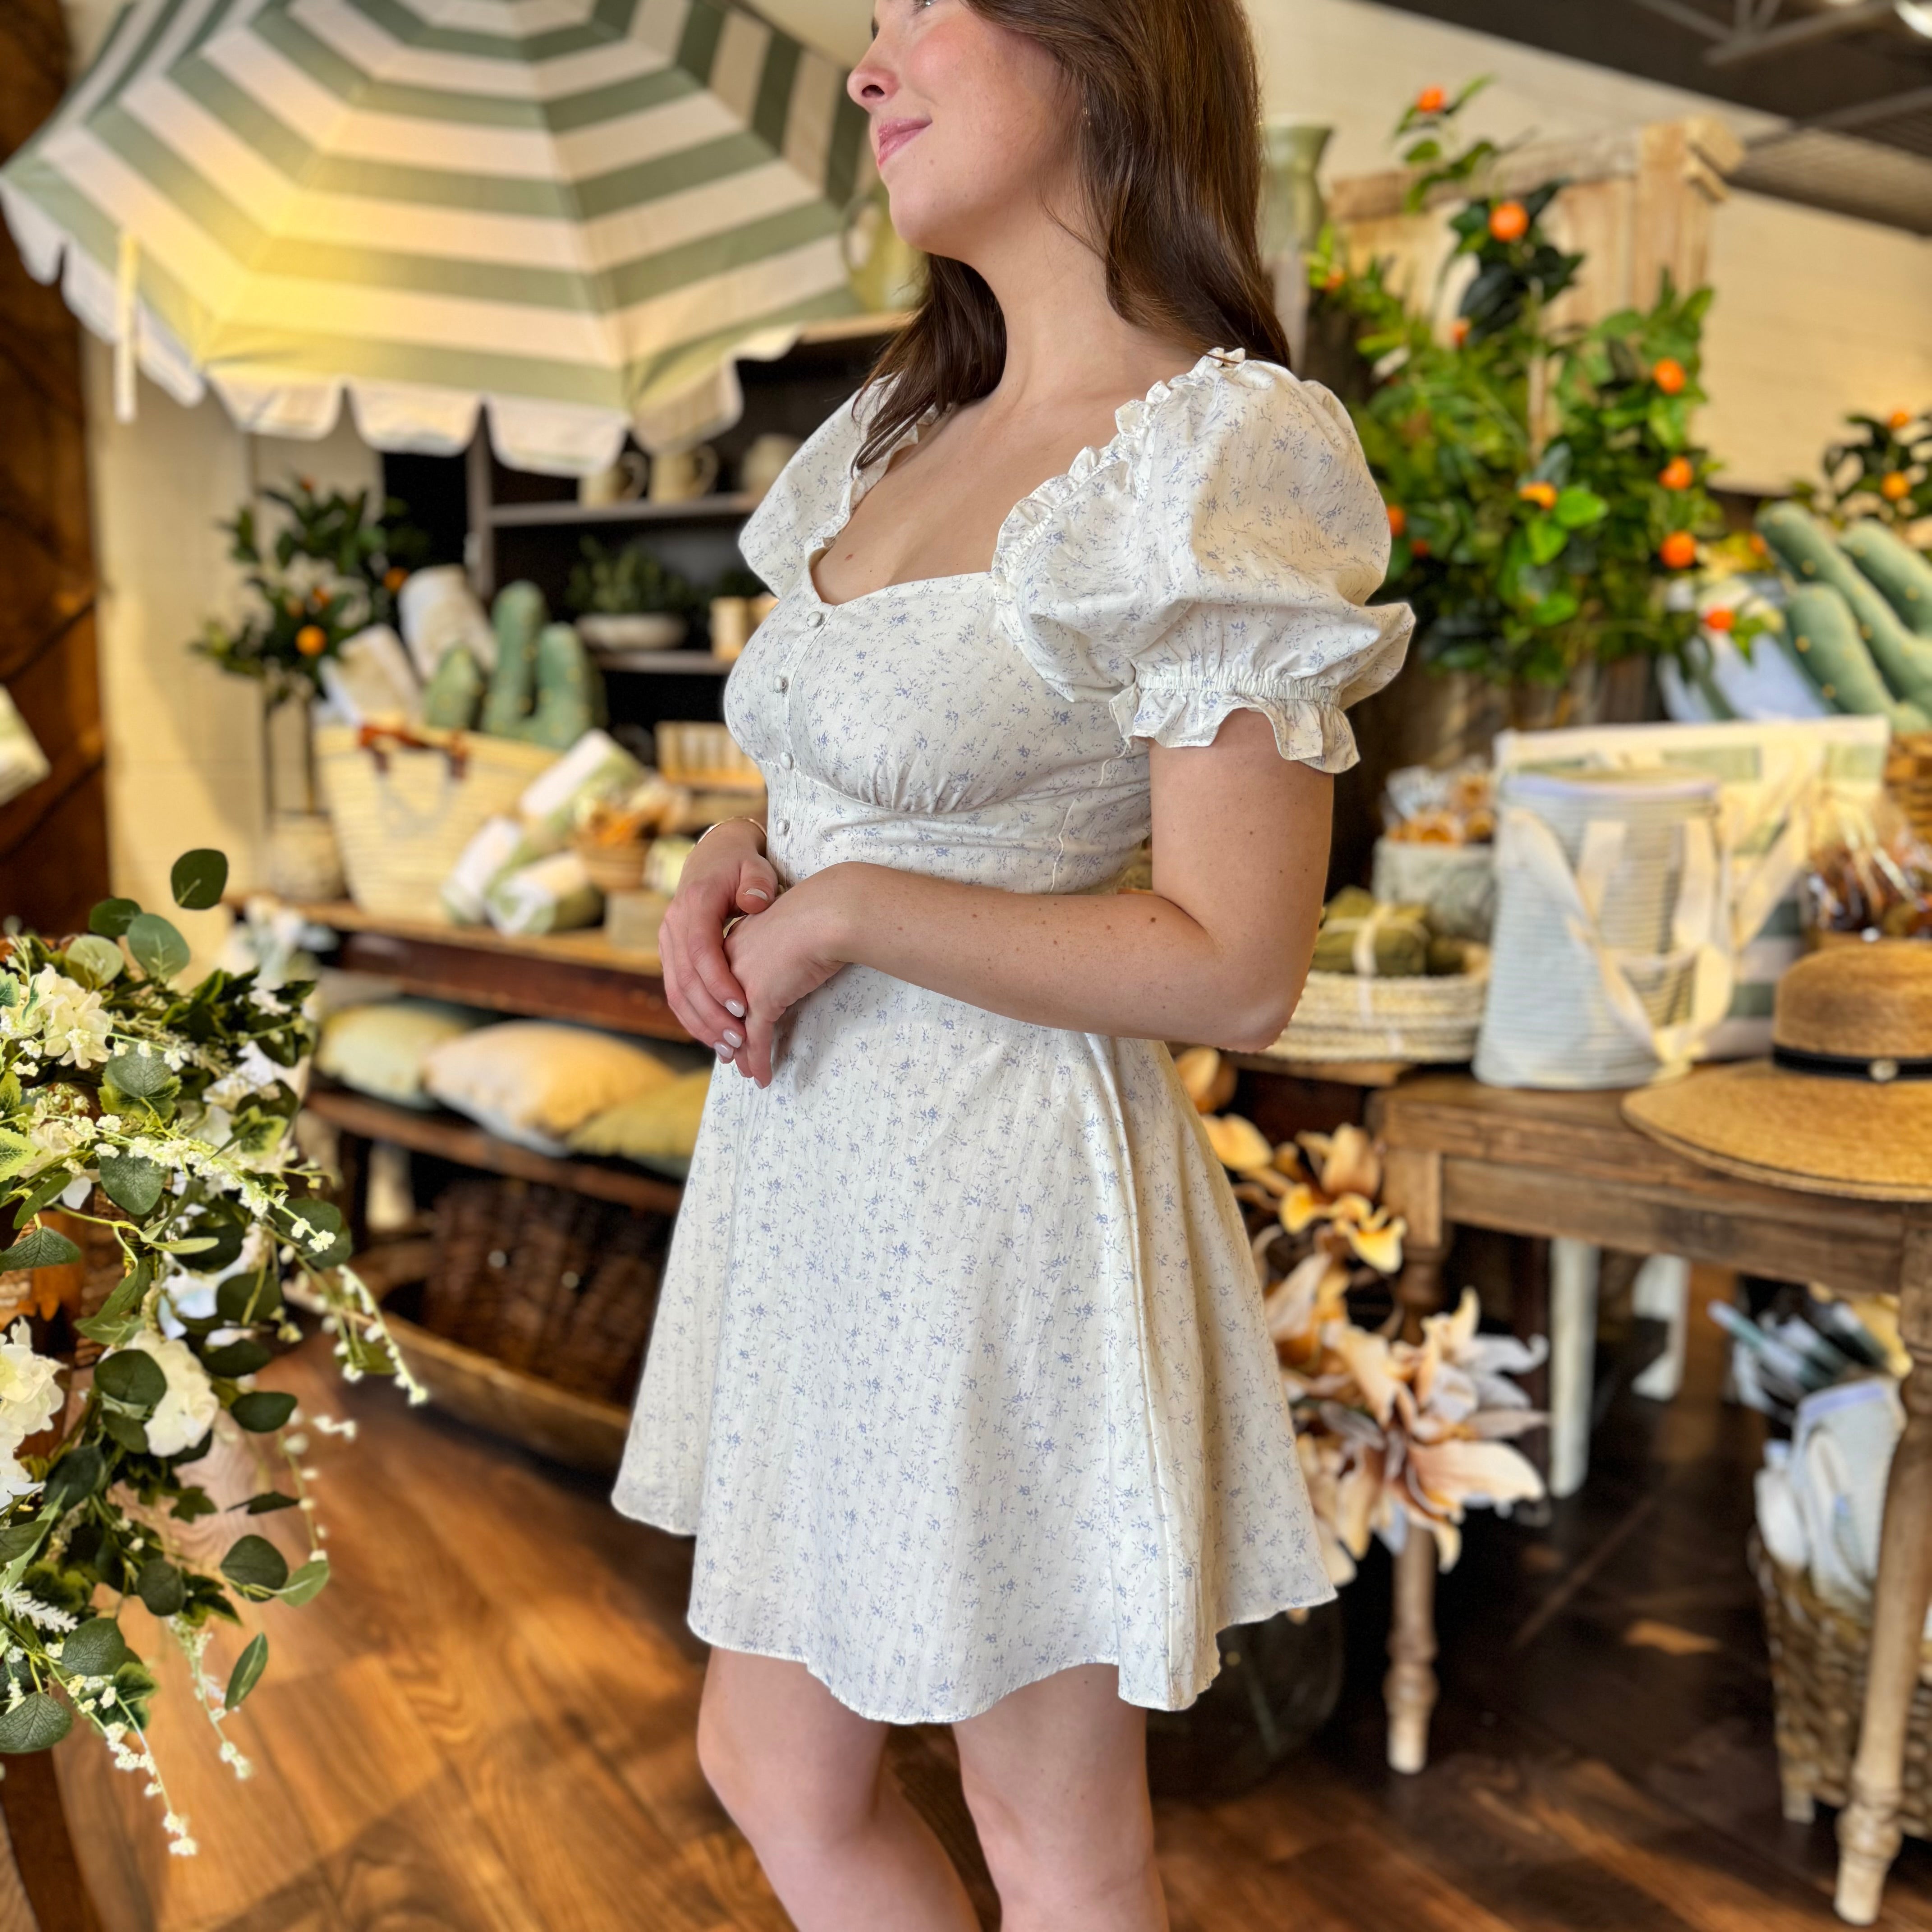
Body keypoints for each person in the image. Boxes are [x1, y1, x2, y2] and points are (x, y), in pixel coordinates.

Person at [614, 0, 1411, 1923]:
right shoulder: (890, 436)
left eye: (917, 10)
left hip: (1001, 1195)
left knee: (1050, 1832)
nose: (867, 66)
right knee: (771, 1764)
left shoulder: (1212, 454)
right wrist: (744, 858)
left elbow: (1235, 965)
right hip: (813, 1179)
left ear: (1102, 45)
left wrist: (854, 914)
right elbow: (843, 775)